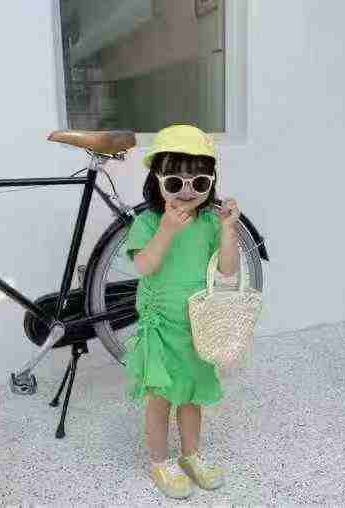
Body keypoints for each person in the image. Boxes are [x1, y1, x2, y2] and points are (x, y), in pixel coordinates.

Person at [124, 124, 241, 499]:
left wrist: (228, 229)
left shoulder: (209, 223)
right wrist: (167, 231)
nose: (187, 191)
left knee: (191, 398)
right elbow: (145, 266)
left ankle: (191, 454)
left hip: (197, 327)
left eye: (199, 182)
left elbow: (228, 270)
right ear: (156, 181)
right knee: (160, 400)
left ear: (211, 183)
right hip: (161, 329)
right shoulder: (148, 222)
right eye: (175, 182)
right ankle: (160, 461)